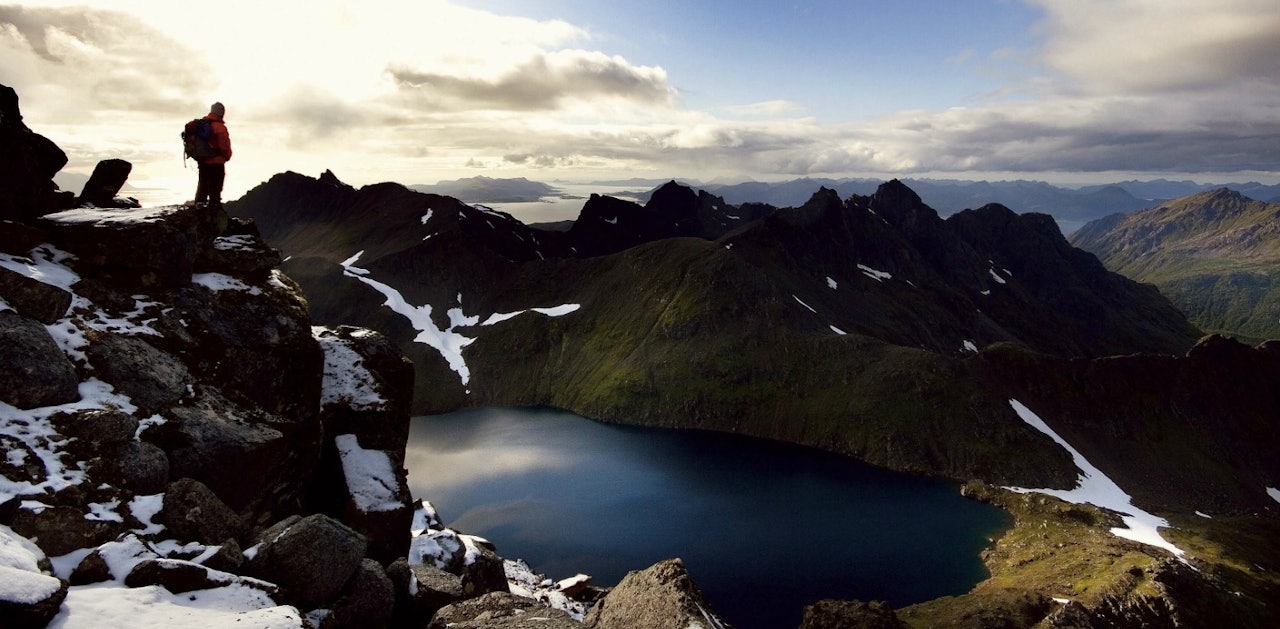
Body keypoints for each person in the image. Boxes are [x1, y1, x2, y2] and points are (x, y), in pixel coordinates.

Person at [194, 101, 232, 208]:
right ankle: (215, 210)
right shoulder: (220, 127)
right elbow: (224, 147)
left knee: (203, 184)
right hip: (217, 163)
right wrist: (227, 156)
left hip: (203, 162)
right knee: (215, 189)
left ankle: (199, 208)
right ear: (221, 113)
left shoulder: (202, 125)